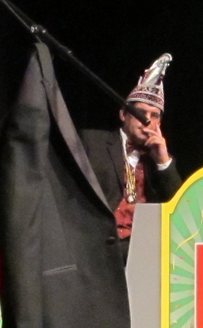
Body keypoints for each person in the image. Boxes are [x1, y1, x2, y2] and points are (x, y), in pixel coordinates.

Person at [81, 53, 182, 262]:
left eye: (155, 116)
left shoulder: (160, 160)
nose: (147, 121)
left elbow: (179, 210)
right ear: (123, 114)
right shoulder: (93, 142)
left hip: (143, 253)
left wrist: (163, 161)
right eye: (141, 113)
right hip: (96, 251)